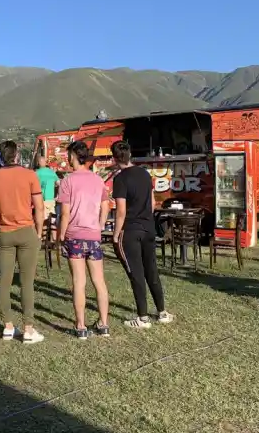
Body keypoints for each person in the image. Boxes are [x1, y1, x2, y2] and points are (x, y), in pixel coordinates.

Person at [0, 141, 45, 344]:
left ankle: (8, 326)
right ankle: (28, 328)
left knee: (4, 280)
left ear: (1, 157)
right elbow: (39, 207)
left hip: (4, 232)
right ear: (17, 155)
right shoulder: (30, 176)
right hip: (26, 230)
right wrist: (38, 232)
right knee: (26, 281)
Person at [111, 140, 174, 329]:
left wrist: (115, 235)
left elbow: (120, 211)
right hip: (148, 228)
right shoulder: (145, 174)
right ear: (130, 155)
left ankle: (143, 318)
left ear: (115, 158)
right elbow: (153, 202)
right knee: (151, 271)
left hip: (131, 230)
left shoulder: (120, 179)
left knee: (136, 274)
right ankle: (162, 312)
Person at [57, 141, 111, 339]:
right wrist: (101, 225)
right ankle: (104, 323)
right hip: (94, 235)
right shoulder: (97, 180)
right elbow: (106, 206)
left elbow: (64, 213)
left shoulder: (67, 181)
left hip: (74, 236)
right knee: (99, 281)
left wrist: (61, 235)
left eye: (68, 155)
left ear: (73, 155)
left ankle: (80, 326)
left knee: (79, 281)